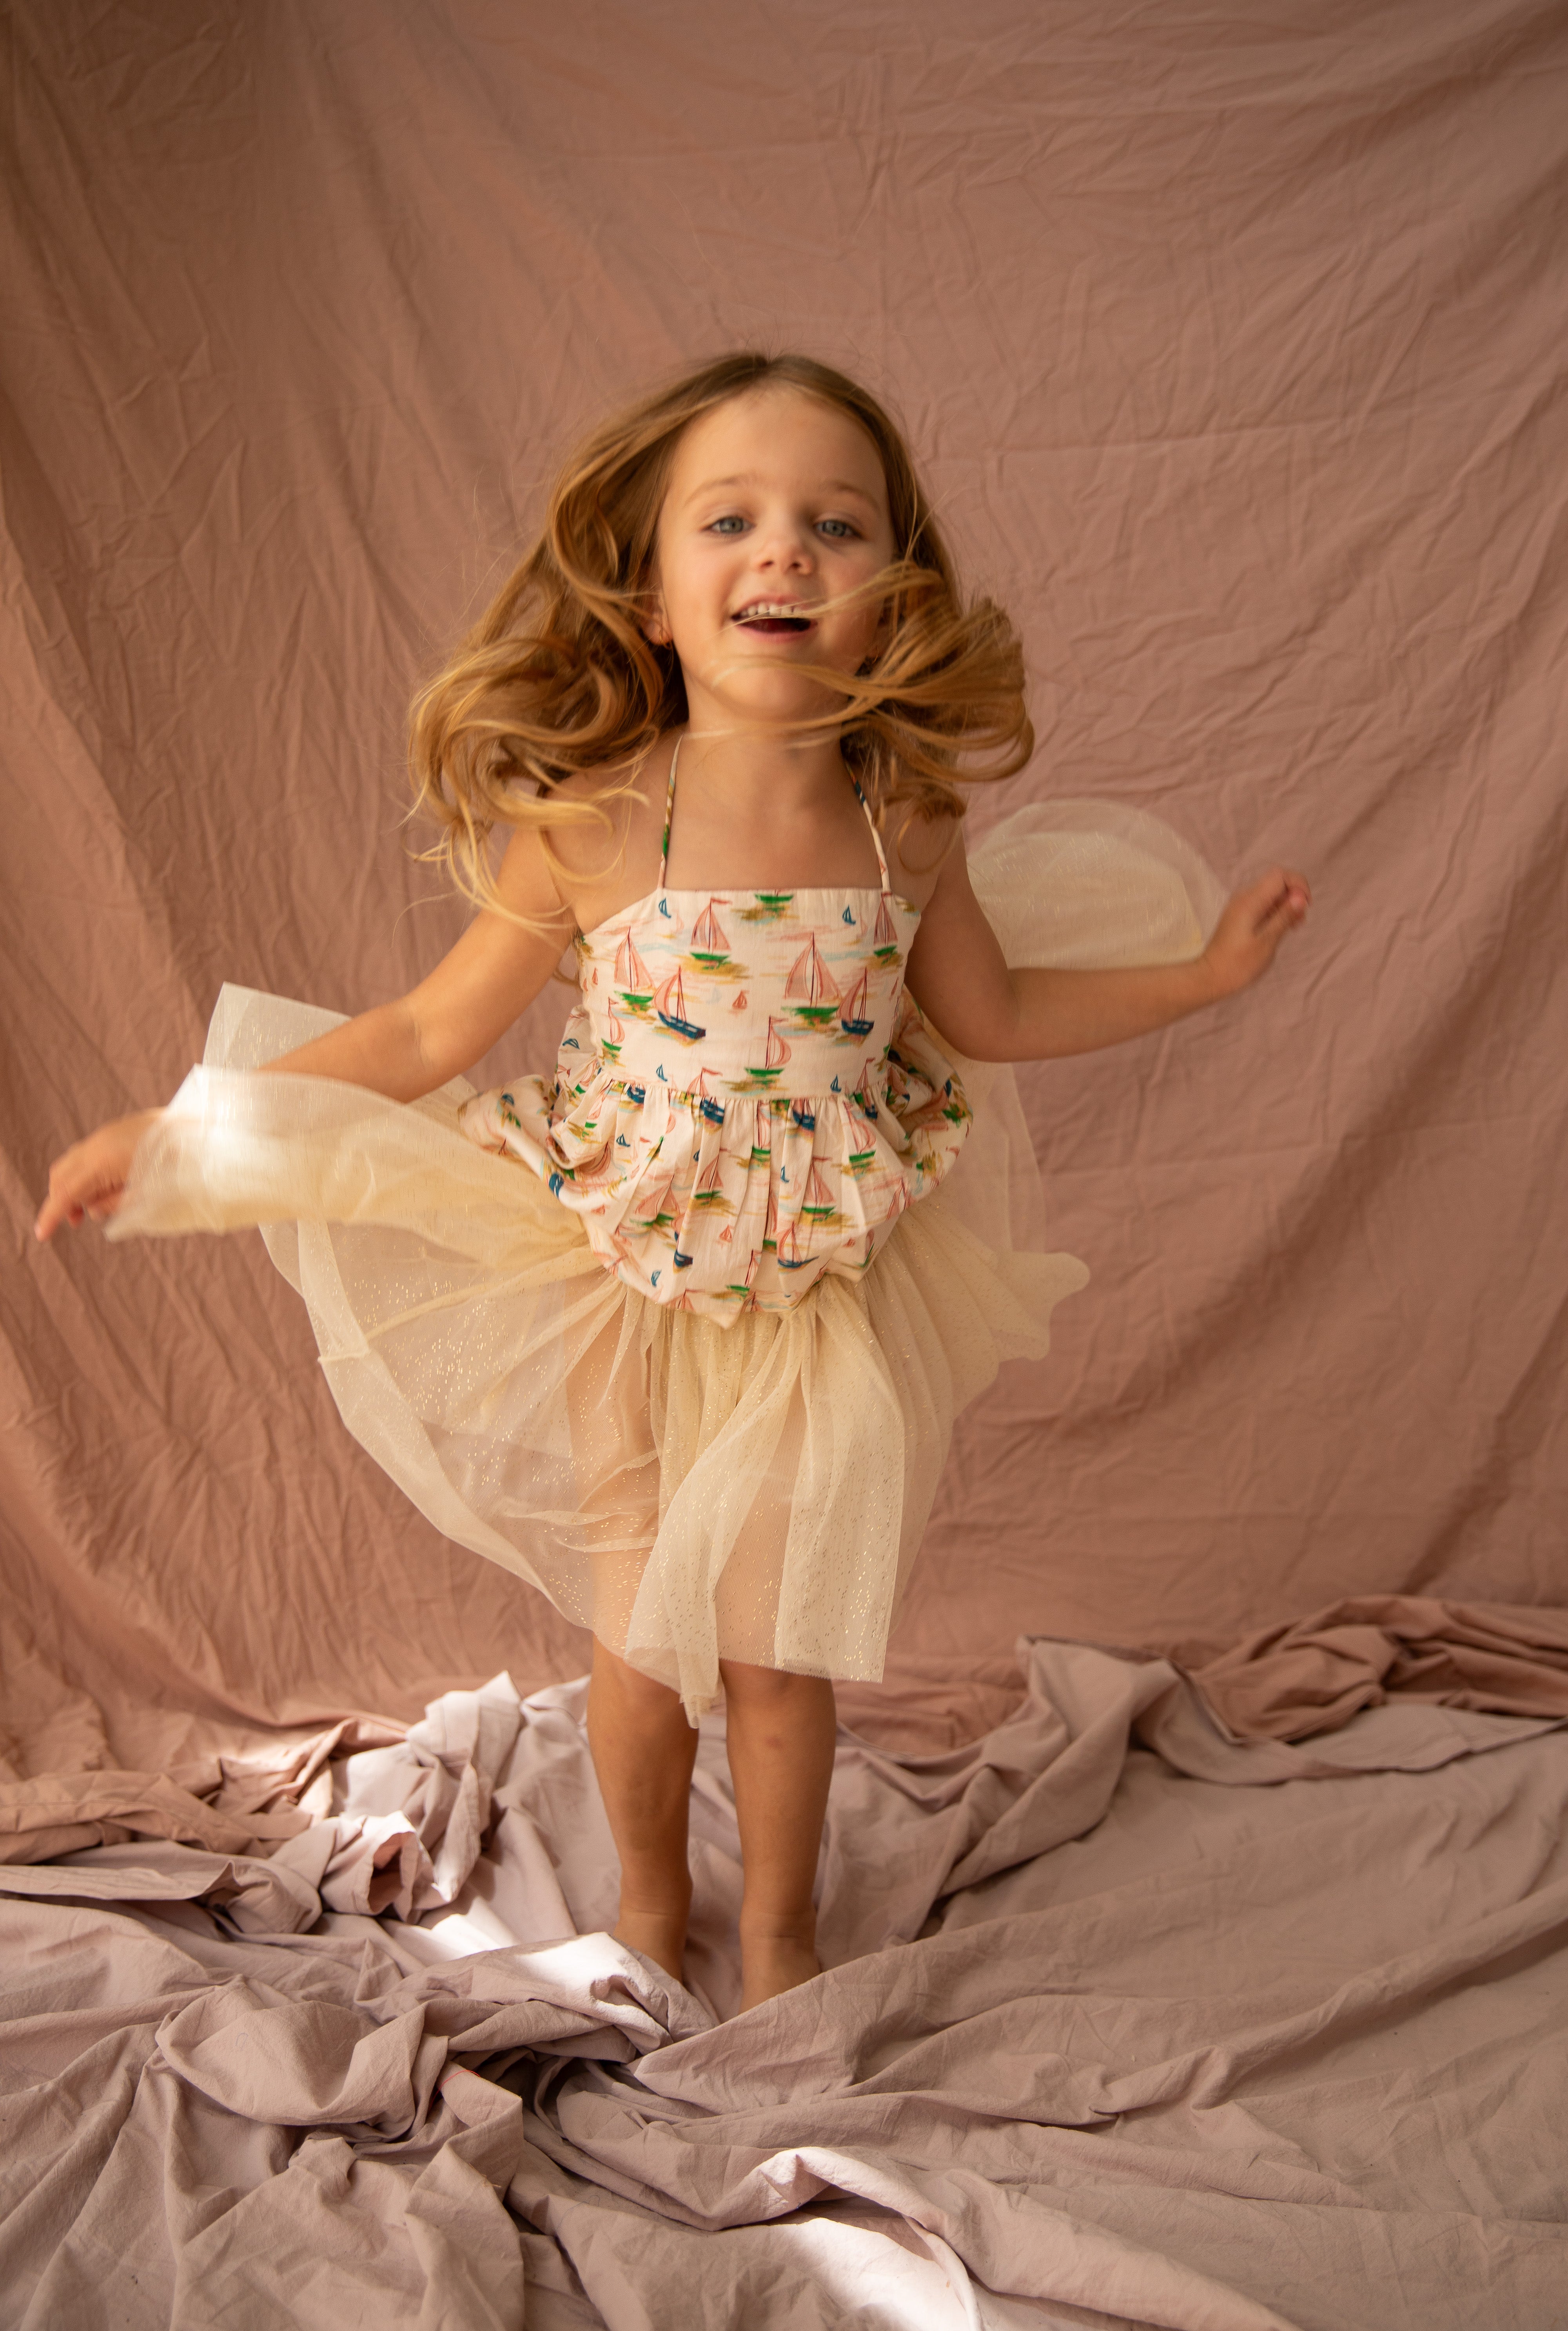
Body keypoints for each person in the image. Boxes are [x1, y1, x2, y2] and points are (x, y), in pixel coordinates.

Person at [34, 352, 1308, 2008]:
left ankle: (778, 1930)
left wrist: (1201, 981)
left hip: (817, 1297)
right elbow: (427, 1031)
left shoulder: (900, 822)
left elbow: (986, 1015)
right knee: (645, 1643)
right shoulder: (590, 820)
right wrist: (192, 1125)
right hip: (614, 1264)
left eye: (833, 526)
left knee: (783, 1656)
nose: (784, 552)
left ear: (888, 596)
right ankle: (648, 1910)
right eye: (734, 520)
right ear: (649, 594)